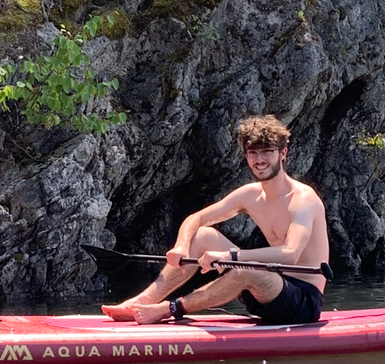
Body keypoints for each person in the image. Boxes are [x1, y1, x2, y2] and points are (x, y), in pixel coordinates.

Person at [103, 114, 330, 325]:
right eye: (252, 153)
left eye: (267, 152)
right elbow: (197, 218)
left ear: (283, 154)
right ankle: (142, 300)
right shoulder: (250, 195)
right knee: (203, 234)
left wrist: (230, 256)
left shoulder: (303, 199)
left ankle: (170, 308)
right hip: (261, 292)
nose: (259, 159)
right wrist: (181, 246)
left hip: (302, 301)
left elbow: (290, 254)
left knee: (245, 269)